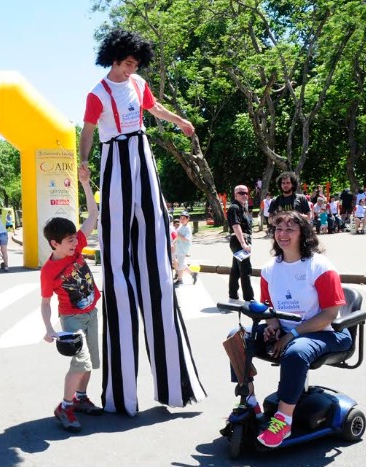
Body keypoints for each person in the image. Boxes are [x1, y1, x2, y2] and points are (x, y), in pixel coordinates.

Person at [78, 29, 205, 414]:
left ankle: (173, 385)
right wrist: (83, 162)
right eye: (129, 62)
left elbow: (154, 109)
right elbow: (87, 133)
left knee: (153, 217)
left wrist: (181, 120)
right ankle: (122, 395)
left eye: (136, 63)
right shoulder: (97, 94)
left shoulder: (139, 83)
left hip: (141, 149)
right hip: (114, 154)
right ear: (114, 59)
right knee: (117, 238)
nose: (133, 67)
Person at [228, 210, 351, 448]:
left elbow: (329, 314)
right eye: (278, 229)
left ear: (303, 234)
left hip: (326, 332)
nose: (282, 234)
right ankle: (250, 402)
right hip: (288, 332)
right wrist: (272, 326)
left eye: (290, 229)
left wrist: (292, 334)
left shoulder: (320, 267)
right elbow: (269, 308)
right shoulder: (269, 269)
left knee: (296, 351)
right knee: (236, 337)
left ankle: (283, 421)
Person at [40, 166, 102, 432]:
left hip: (92, 312)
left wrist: (86, 184)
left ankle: (80, 398)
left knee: (91, 363)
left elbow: (93, 216)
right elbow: (44, 303)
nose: (76, 245)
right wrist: (49, 329)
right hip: (72, 319)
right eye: (69, 242)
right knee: (81, 362)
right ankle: (64, 407)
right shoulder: (49, 271)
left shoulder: (76, 242)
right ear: (54, 244)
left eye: (74, 240)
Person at [227, 185, 254, 301]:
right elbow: (236, 226)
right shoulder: (234, 207)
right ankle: (249, 298)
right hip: (239, 240)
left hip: (240, 240)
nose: (245, 195)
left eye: (246, 193)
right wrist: (243, 243)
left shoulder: (242, 207)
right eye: (242, 193)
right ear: (235, 194)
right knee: (245, 269)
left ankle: (233, 295)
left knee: (236, 269)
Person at [173, 211, 197, 286]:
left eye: (184, 218)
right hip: (178, 247)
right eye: (181, 218)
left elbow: (187, 239)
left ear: (187, 219)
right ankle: (193, 273)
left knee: (180, 263)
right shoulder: (181, 226)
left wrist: (178, 235)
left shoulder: (187, 228)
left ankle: (180, 280)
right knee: (181, 263)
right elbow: (177, 236)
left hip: (183, 248)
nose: (182, 220)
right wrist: (173, 243)